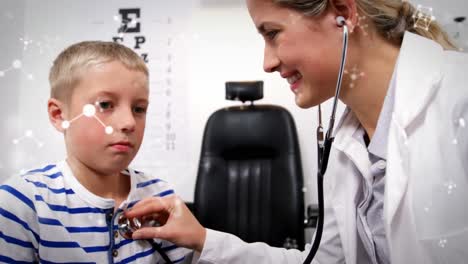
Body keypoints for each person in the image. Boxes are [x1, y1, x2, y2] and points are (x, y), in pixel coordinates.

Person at [124, 0, 468, 263]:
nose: (267, 62)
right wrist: (203, 239)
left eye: (272, 33)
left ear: (343, 14)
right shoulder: (346, 145)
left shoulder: (459, 101)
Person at [0, 41, 194, 263]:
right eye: (105, 104)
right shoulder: (23, 203)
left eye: (139, 109)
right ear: (59, 115)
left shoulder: (160, 197)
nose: (129, 122)